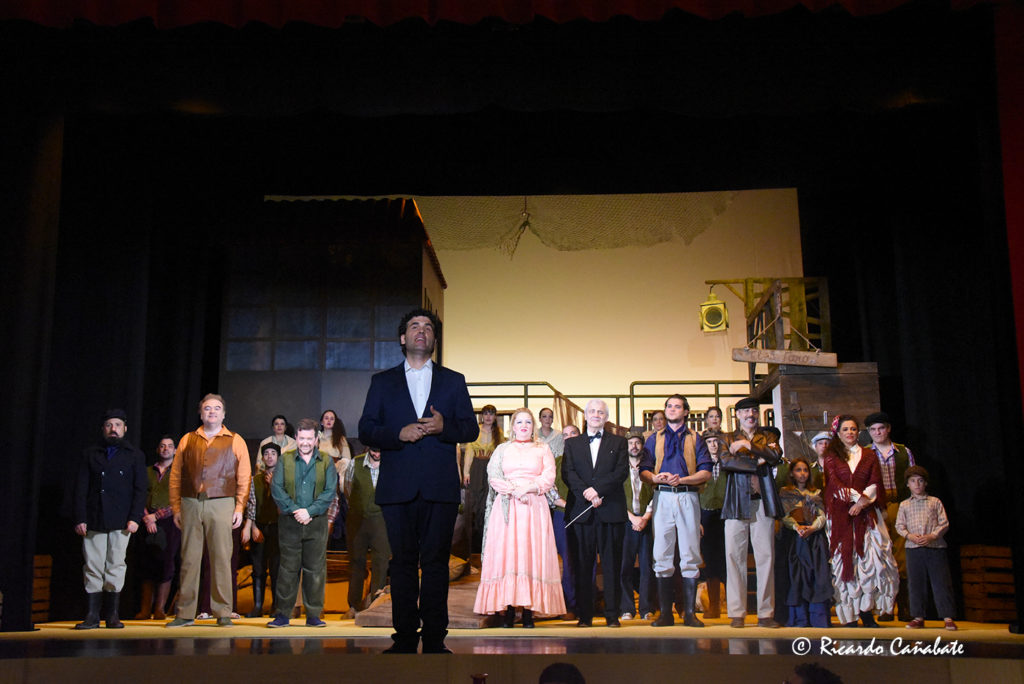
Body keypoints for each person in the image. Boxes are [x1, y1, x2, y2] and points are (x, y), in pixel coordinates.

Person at [358, 308, 479, 654]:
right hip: (398, 488)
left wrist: (445, 428)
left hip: (439, 488)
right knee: (402, 563)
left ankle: (436, 638)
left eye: (428, 327)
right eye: (414, 326)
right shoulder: (383, 382)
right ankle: (405, 637)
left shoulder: (453, 380)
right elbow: (366, 428)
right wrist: (397, 434)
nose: (422, 331)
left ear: (434, 339)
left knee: (437, 564)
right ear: (403, 337)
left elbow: (470, 429)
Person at [474, 408, 565, 626]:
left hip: (534, 506)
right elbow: (493, 476)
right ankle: (508, 609)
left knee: (530, 555)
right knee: (509, 555)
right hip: (508, 505)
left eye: (528, 422)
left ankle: (528, 611)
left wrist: (529, 488)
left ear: (533, 426)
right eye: (519, 422)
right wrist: (514, 490)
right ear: (513, 426)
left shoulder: (543, 448)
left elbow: (548, 476)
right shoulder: (502, 449)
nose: (524, 426)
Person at [167, 393, 251, 627]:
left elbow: (244, 476)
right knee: (189, 558)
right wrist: (176, 507)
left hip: (222, 502)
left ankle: (223, 611)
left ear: (223, 414)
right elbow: (176, 475)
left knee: (222, 557)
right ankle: (185, 613)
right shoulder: (187, 440)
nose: (212, 412)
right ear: (200, 413)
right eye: (207, 408)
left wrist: (239, 507)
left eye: (216, 408)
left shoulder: (235, 440)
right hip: (191, 502)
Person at [640, 395, 712, 627]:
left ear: (686, 412)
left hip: (688, 495)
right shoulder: (654, 438)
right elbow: (644, 470)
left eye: (677, 406)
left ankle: (689, 613)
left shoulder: (695, 438)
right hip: (662, 496)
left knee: (690, 552)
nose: (672, 409)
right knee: (661, 552)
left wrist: (683, 479)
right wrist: (656, 478)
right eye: (669, 406)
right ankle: (665, 613)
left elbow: (706, 471)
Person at [72, 409, 147, 629]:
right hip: (94, 517)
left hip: (121, 519)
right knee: (93, 565)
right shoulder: (90, 454)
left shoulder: (134, 455)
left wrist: (135, 518)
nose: (113, 429)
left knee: (116, 564)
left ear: (125, 428)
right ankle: (92, 615)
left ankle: (112, 614)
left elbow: (140, 490)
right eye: (109, 425)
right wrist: (80, 517)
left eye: (117, 425)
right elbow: (80, 488)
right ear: (103, 428)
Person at [823, 415, 899, 627]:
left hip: (867, 516)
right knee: (846, 565)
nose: (850, 433)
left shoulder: (869, 455)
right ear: (838, 434)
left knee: (871, 562)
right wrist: (856, 499)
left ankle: (867, 612)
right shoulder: (831, 457)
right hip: (841, 516)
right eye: (845, 429)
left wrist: (862, 503)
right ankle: (850, 616)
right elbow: (834, 484)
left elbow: (875, 482)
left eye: (853, 429)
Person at [266, 418, 338, 628]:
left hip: (317, 523)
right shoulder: (285, 460)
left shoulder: (326, 461)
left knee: (315, 570)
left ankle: (313, 614)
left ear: (316, 440)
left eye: (309, 439)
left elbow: (330, 491)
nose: (305, 442)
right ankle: (283, 614)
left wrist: (310, 511)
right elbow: (277, 488)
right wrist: (295, 510)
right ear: (296, 438)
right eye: (301, 438)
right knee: (287, 569)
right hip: (290, 523)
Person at [562, 399, 628, 628]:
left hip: (611, 511)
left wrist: (598, 490)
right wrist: (588, 494)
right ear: (585, 415)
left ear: (606, 417)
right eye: (592, 411)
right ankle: (585, 616)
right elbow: (568, 474)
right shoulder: (572, 444)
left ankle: (612, 616)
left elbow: (621, 472)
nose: (596, 415)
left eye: (600, 412)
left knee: (612, 565)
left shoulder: (619, 442)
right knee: (582, 566)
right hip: (582, 512)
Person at [721, 396, 784, 628]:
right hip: (736, 503)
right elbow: (726, 462)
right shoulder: (727, 438)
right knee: (734, 557)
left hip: (762, 502)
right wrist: (757, 462)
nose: (751, 415)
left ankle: (765, 614)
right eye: (746, 412)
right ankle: (737, 612)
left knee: (765, 557)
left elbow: (775, 456)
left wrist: (749, 447)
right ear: (737, 415)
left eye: (754, 411)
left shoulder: (768, 436)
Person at [865, 411, 915, 621]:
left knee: (902, 556)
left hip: (900, 504)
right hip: (877, 505)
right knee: (881, 556)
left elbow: (913, 478)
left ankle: (905, 606)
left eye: (881, 428)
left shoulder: (903, 452)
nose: (878, 433)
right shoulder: (865, 453)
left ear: (888, 429)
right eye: (873, 430)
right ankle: (885, 607)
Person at [895, 466, 957, 630]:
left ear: (925, 483)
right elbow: (899, 525)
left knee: (941, 582)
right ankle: (918, 616)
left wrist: (932, 536)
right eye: (913, 481)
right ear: (907, 484)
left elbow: (944, 523)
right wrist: (910, 536)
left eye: (920, 481)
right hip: (913, 548)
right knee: (916, 583)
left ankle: (947, 616)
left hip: (935, 547)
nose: (917, 484)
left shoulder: (934, 502)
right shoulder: (905, 505)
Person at [779, 455, 831, 627]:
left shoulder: (816, 493)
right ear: (792, 473)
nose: (802, 474)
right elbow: (785, 516)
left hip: (814, 539)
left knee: (817, 575)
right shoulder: (786, 493)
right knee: (797, 576)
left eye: (805, 470)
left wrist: (812, 528)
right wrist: (797, 527)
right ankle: (799, 618)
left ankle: (818, 618)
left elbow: (823, 515)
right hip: (795, 539)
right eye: (798, 470)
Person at [134, 435, 181, 620]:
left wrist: (157, 516)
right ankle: (145, 609)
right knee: (146, 563)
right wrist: (147, 517)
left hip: (170, 521)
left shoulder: (179, 472)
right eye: (162, 446)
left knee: (166, 563)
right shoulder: (147, 472)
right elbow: (138, 494)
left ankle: (160, 608)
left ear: (175, 450)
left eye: (169, 446)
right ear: (157, 449)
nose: (165, 449)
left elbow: (179, 498)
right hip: (146, 521)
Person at [343, 447, 391, 618]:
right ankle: (354, 605)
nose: (377, 454)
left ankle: (375, 605)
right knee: (356, 562)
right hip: (357, 519)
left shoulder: (391, 463)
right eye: (374, 451)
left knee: (381, 562)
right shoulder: (355, 463)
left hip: (382, 519)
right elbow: (347, 490)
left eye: (380, 451)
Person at [619, 429, 654, 621]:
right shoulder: (619, 468)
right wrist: (632, 518)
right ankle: (627, 608)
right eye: (630, 443)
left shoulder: (650, 468)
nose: (634, 446)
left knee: (647, 567)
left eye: (637, 443)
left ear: (642, 446)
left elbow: (656, 493)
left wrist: (645, 518)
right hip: (626, 522)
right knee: (624, 566)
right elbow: (614, 495)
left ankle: (646, 608)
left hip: (646, 521)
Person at [244, 442, 281, 618]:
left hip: (277, 527)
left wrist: (274, 485)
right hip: (259, 526)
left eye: (273, 453)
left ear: (278, 457)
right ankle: (257, 606)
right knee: (258, 568)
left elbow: (286, 503)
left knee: (276, 568)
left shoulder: (283, 478)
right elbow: (251, 505)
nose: (270, 456)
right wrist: (253, 526)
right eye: (266, 453)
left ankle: (276, 605)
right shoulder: (255, 480)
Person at [549, 424, 581, 618]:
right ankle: (569, 604)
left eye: (573, 433)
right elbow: (550, 488)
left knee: (586, 559)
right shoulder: (556, 462)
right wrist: (565, 504)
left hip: (586, 514)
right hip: (562, 514)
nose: (568, 437)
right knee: (567, 559)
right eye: (565, 435)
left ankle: (586, 604)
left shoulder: (590, 460)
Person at [463, 404, 503, 554]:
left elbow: (500, 455)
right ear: (481, 416)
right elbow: (469, 452)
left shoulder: (498, 433)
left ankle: (489, 544)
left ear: (495, 417)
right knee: (475, 504)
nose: (488, 417)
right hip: (476, 469)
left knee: (489, 503)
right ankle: (474, 545)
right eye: (485, 413)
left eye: (491, 414)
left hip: (491, 469)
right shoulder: (475, 430)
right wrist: (466, 472)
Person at [698, 428, 727, 619]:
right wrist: (698, 520)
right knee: (710, 561)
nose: (713, 445)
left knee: (727, 560)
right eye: (709, 442)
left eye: (716, 441)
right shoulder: (701, 465)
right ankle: (713, 605)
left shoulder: (727, 463)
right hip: (706, 515)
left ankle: (731, 604)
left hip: (725, 515)